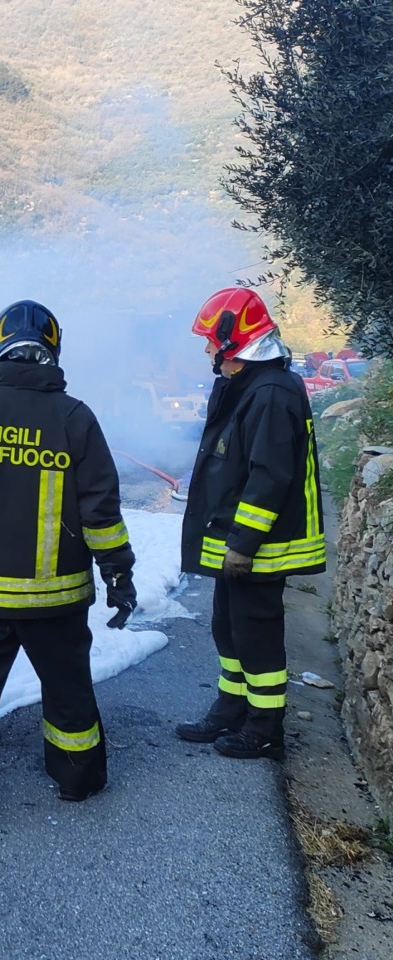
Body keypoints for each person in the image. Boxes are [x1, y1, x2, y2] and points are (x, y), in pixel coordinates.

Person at [0, 300, 137, 828]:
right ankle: (77, 779)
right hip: (55, 599)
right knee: (66, 685)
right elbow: (101, 511)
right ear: (52, 353)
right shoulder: (75, 418)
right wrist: (118, 573)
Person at [175, 287, 325, 760]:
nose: (206, 350)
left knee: (256, 636)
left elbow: (270, 477)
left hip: (260, 546)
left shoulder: (272, 394)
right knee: (227, 626)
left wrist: (242, 544)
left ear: (234, 340)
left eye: (209, 340)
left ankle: (264, 729)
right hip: (236, 541)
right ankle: (230, 708)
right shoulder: (249, 386)